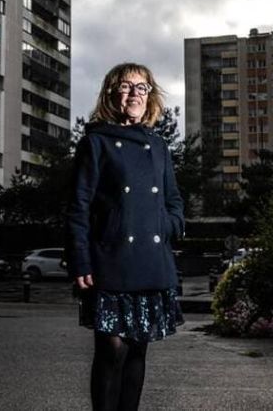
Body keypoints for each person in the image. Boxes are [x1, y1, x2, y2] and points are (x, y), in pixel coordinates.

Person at [67, 62, 185, 411]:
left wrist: (168, 226)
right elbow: (78, 207)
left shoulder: (159, 146)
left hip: (151, 259)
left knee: (137, 348)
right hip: (111, 259)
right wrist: (80, 259)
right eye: (125, 86)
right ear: (110, 93)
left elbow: (173, 200)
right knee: (111, 349)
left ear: (150, 97)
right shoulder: (95, 142)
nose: (134, 94)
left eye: (142, 87)